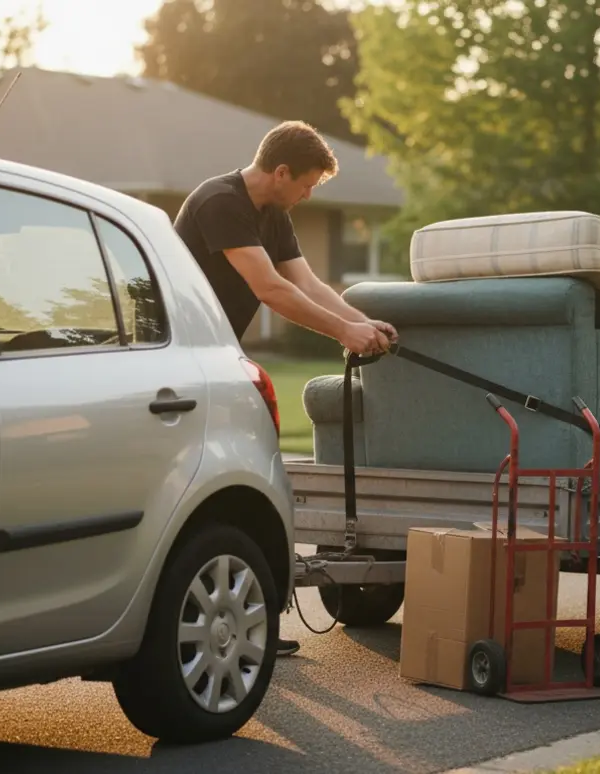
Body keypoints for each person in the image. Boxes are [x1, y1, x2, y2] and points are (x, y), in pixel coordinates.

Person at [174, 120, 397, 657]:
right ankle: (224, 619)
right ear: (280, 172)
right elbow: (269, 288)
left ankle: (254, 622)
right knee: (224, 485)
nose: (309, 194)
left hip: (219, 358)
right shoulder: (219, 202)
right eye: (308, 184)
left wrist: (364, 324)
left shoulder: (274, 216)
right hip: (183, 359)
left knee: (248, 480)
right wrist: (345, 332)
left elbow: (308, 283)